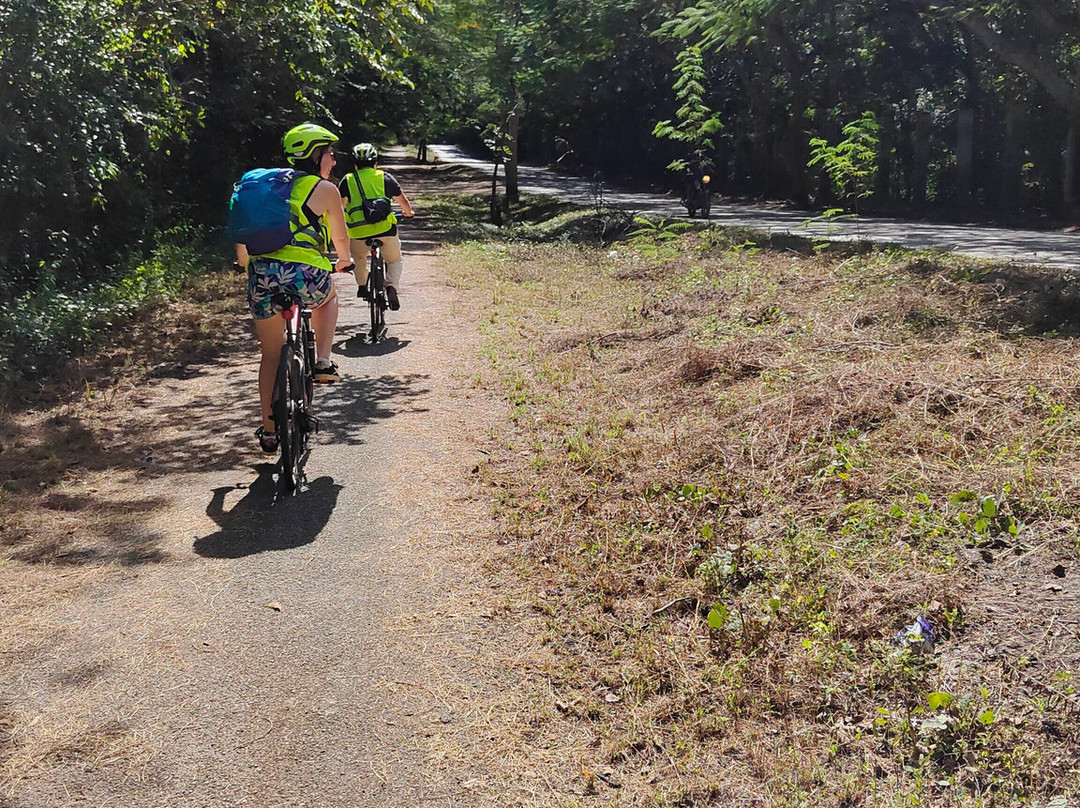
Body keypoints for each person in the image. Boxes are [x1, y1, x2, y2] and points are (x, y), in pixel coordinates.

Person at [235, 122, 352, 453]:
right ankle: (324, 362)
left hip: (261, 277)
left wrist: (245, 262)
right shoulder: (325, 189)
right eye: (329, 152)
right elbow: (341, 238)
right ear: (315, 155)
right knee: (328, 299)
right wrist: (343, 261)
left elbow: (244, 237)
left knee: (271, 354)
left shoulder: (264, 186)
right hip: (307, 277)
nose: (333, 158)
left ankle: (269, 431)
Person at [339, 143, 415, 310]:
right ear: (375, 163)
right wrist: (408, 213)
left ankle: (361, 285)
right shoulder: (385, 177)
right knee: (394, 260)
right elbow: (403, 201)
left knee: (358, 258)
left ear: (355, 164)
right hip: (386, 231)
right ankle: (391, 286)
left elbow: (340, 208)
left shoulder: (348, 181)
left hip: (358, 233)